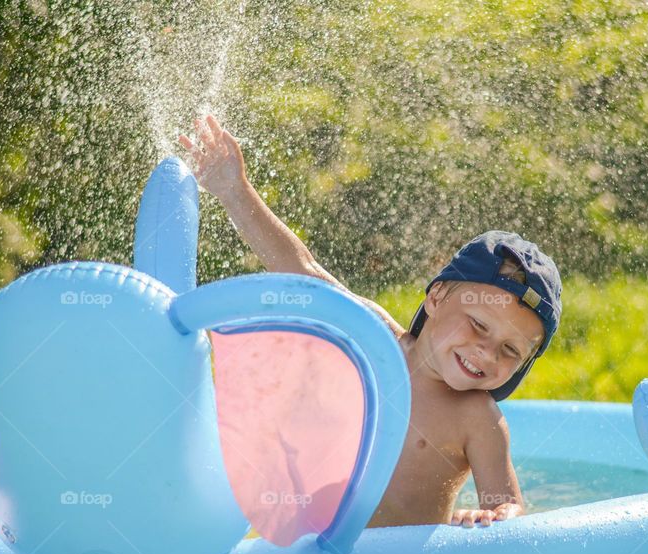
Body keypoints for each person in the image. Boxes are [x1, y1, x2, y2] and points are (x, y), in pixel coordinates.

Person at [179, 115, 562, 528]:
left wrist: (493, 516)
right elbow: (300, 270)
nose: (485, 351)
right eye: (478, 325)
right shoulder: (371, 338)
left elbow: (511, 511)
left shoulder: (478, 419)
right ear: (436, 297)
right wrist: (235, 191)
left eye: (509, 350)